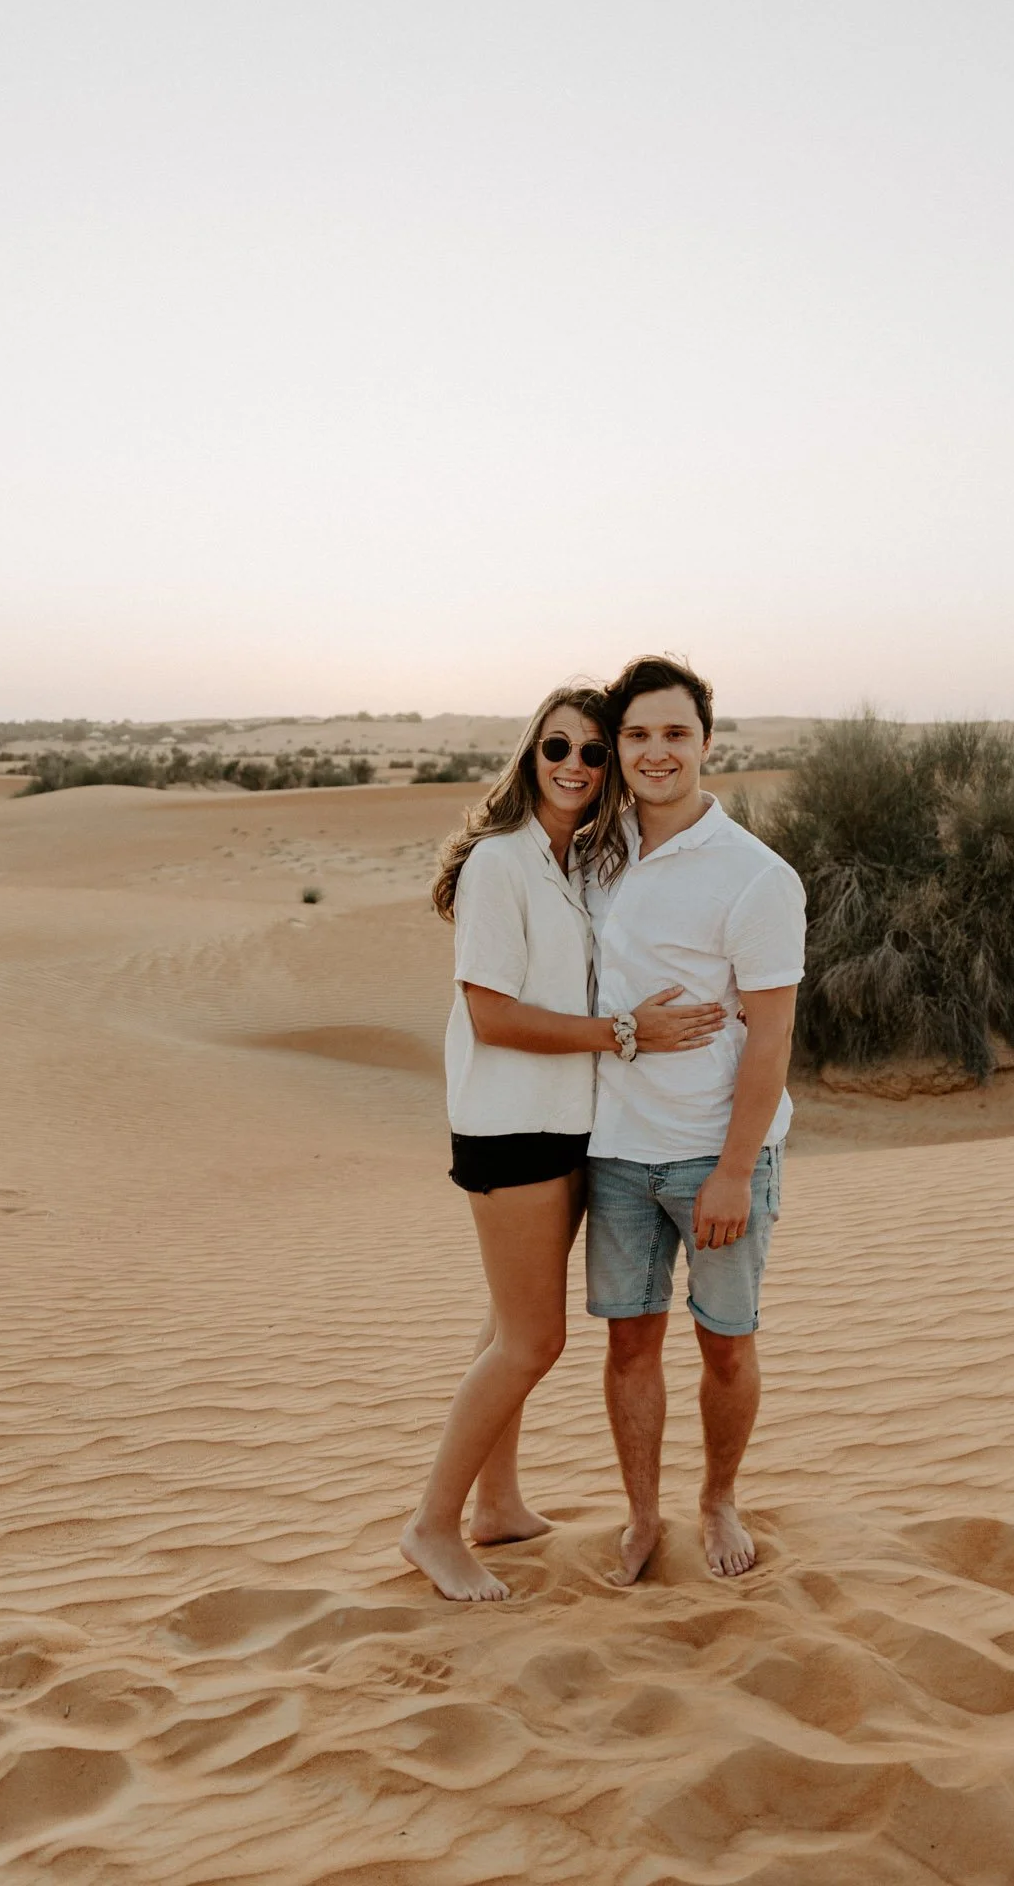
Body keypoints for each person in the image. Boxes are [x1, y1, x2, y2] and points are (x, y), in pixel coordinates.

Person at [400, 684, 727, 1601]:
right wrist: (625, 1034)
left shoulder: (576, 860)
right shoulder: (500, 864)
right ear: (530, 757)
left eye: (592, 751)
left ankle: (497, 1505)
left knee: (503, 1326)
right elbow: (492, 1015)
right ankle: (430, 1526)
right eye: (557, 748)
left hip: (567, 1122)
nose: (575, 766)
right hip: (509, 1127)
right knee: (532, 1341)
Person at [585, 656, 806, 1584]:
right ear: (616, 747)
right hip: (613, 1151)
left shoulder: (754, 876)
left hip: (713, 1156)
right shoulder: (592, 854)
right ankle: (643, 1515)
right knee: (628, 1343)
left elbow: (772, 1036)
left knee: (725, 1341)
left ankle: (717, 1500)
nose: (656, 752)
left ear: (706, 742)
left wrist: (732, 1171)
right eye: (637, 734)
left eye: (674, 733)